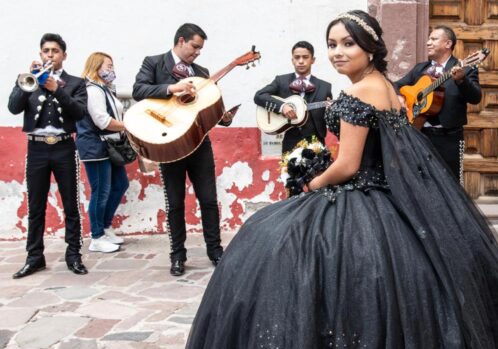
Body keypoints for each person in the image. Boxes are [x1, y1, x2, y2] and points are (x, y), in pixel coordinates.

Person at [167, 11, 498, 349]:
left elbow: (348, 164)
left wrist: (310, 181)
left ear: (370, 48)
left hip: (361, 192)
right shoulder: (383, 85)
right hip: (383, 194)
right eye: (332, 44)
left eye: (348, 44)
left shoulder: (361, 90)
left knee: (273, 243)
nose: (338, 52)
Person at [132, 23, 233, 276]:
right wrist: (171, 89)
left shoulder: (202, 73)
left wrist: (223, 117)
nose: (198, 52)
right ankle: (177, 255)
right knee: (175, 203)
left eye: (200, 48)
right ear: (181, 41)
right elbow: (138, 90)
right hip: (169, 145)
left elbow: (205, 111)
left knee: (209, 200)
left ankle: (215, 251)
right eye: (195, 47)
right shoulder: (154, 63)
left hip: (199, 145)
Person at [8, 33, 88, 279]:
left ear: (64, 55)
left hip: (64, 147)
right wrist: (25, 82)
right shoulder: (27, 80)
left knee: (70, 203)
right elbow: (13, 107)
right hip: (37, 149)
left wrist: (57, 89)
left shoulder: (75, 83)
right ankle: (34, 257)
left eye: (54, 51)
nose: (50, 55)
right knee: (35, 206)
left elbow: (80, 112)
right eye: (46, 51)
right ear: (40, 54)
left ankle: (73, 255)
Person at [394, 25, 481, 183]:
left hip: (448, 139)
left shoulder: (466, 69)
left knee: (450, 185)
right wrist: (400, 98)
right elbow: (396, 86)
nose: (428, 42)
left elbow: (475, 98)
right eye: (428, 39)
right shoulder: (421, 68)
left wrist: (462, 80)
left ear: (448, 44)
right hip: (419, 135)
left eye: (433, 39)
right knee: (420, 182)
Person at [76, 52, 130, 253]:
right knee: (101, 191)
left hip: (109, 145)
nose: (111, 70)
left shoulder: (104, 89)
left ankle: (105, 226)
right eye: (108, 66)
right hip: (95, 146)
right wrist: (128, 126)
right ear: (96, 66)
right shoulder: (92, 90)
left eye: (112, 66)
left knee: (120, 184)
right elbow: (102, 121)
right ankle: (96, 236)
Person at [254, 41, 333, 154]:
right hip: (290, 142)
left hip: (316, 142)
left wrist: (331, 111)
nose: (301, 61)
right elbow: (259, 96)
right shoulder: (281, 81)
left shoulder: (325, 87)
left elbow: (329, 118)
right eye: (297, 57)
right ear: (292, 60)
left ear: (313, 60)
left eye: (305, 57)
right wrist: (282, 106)